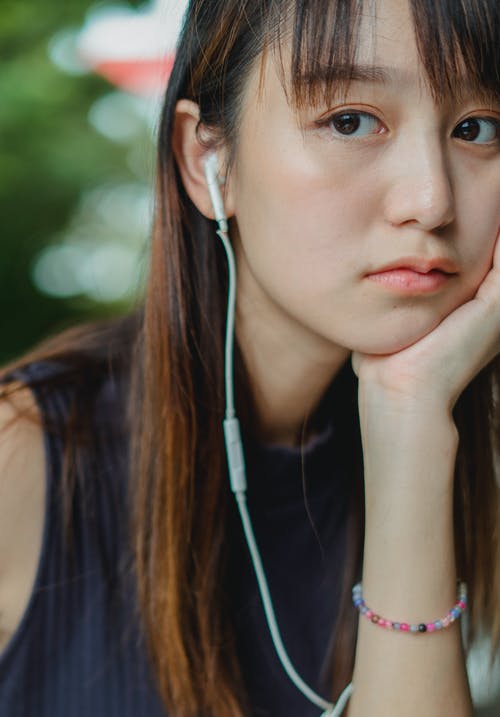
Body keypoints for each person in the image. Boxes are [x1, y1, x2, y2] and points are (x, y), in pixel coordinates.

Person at [0, 0, 498, 715]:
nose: (430, 199)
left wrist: (410, 417)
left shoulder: (430, 443)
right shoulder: (27, 457)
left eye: (476, 128)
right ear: (209, 159)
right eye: (351, 120)